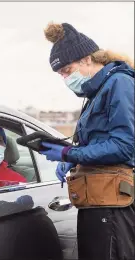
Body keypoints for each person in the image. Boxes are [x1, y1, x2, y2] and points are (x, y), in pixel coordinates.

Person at [39, 22, 135, 260]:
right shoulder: (96, 92)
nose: (65, 78)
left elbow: (124, 146)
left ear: (87, 60)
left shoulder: (120, 83)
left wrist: (68, 154)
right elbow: (97, 142)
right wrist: (71, 158)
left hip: (113, 202)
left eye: (67, 70)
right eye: (61, 74)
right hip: (96, 196)